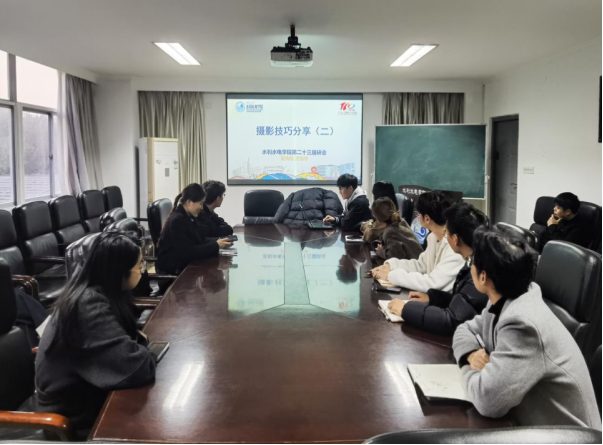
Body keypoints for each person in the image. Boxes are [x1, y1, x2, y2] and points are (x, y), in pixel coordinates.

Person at [452, 227, 601, 429]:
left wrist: (466, 367)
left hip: (568, 436)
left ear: (483, 277)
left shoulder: (522, 324)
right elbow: (465, 330)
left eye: (472, 262)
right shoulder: (505, 296)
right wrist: (470, 354)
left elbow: (487, 401)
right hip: (529, 422)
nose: (471, 266)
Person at [36, 232, 157, 433]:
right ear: (119, 271)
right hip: (72, 417)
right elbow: (135, 368)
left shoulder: (102, 293)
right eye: (139, 266)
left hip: (90, 395)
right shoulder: (87, 304)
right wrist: (146, 353)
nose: (142, 271)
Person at [388, 203, 490, 336]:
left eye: (447, 232)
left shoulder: (481, 269)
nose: (445, 236)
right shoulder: (474, 259)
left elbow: (451, 321)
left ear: (455, 239)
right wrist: (432, 298)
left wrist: (406, 309)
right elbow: (463, 301)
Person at [372, 192, 464, 292]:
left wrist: (391, 275)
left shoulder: (454, 245)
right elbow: (421, 265)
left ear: (427, 218)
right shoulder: (434, 237)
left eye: (418, 214)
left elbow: (433, 283)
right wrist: (391, 265)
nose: (418, 216)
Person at [157, 184, 232, 274]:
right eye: (200, 203)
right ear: (189, 202)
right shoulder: (177, 221)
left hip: (184, 266)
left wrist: (220, 241)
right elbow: (188, 253)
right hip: (174, 271)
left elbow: (200, 239)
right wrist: (216, 245)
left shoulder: (188, 216)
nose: (202, 207)